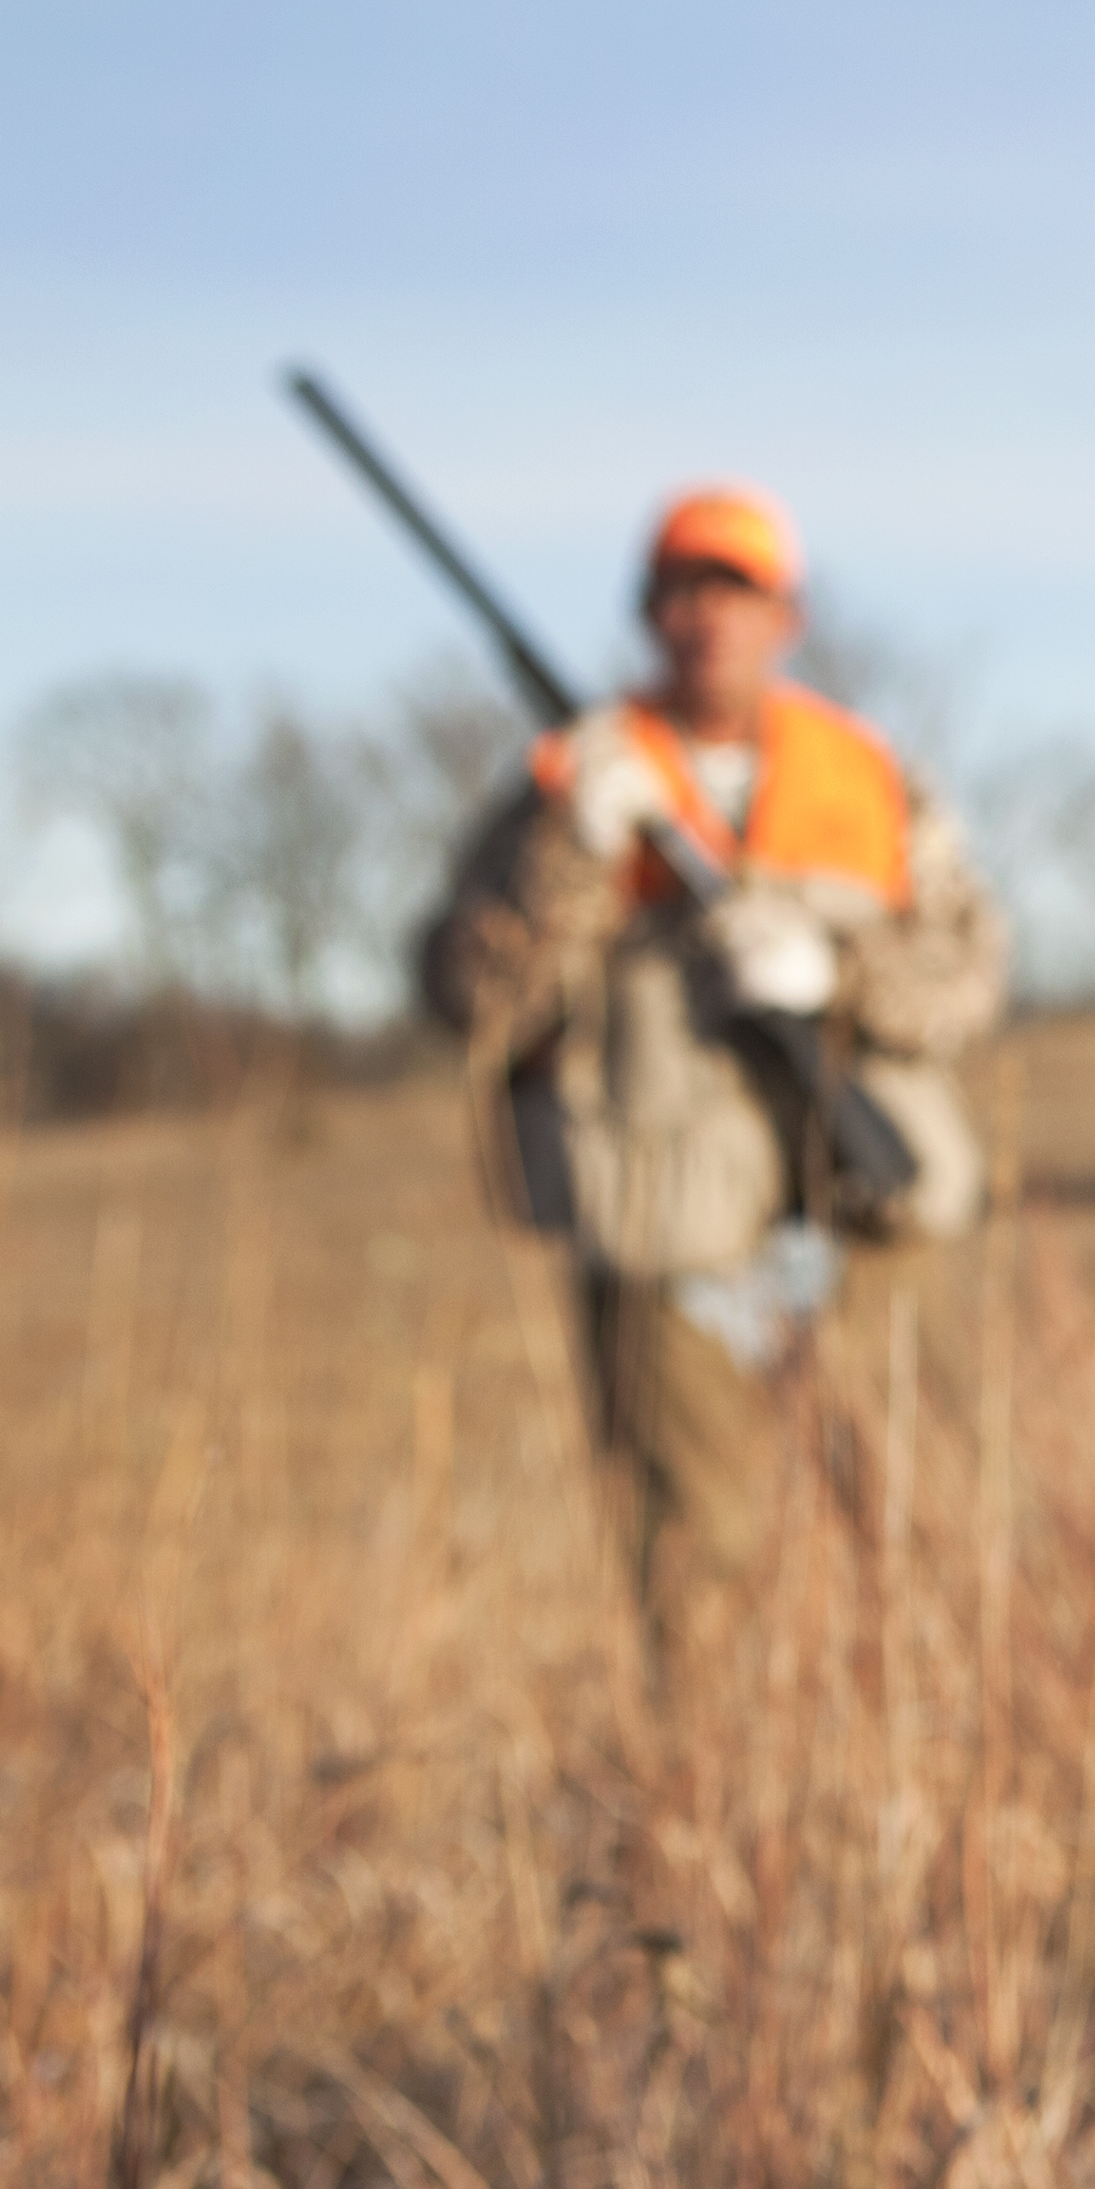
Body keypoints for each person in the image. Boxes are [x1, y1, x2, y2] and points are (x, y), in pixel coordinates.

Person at [417, 483, 1005, 1680]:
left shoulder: (867, 778)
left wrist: (831, 971)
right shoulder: (572, 781)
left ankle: (917, 1760)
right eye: (682, 594)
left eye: (735, 595)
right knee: (692, 1553)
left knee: (908, 1513)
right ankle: (703, 1804)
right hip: (662, 1219)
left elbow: (968, 975)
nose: (707, 622)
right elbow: (467, 999)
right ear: (648, 615)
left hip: (861, 1211)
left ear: (785, 617)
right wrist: (575, 852)